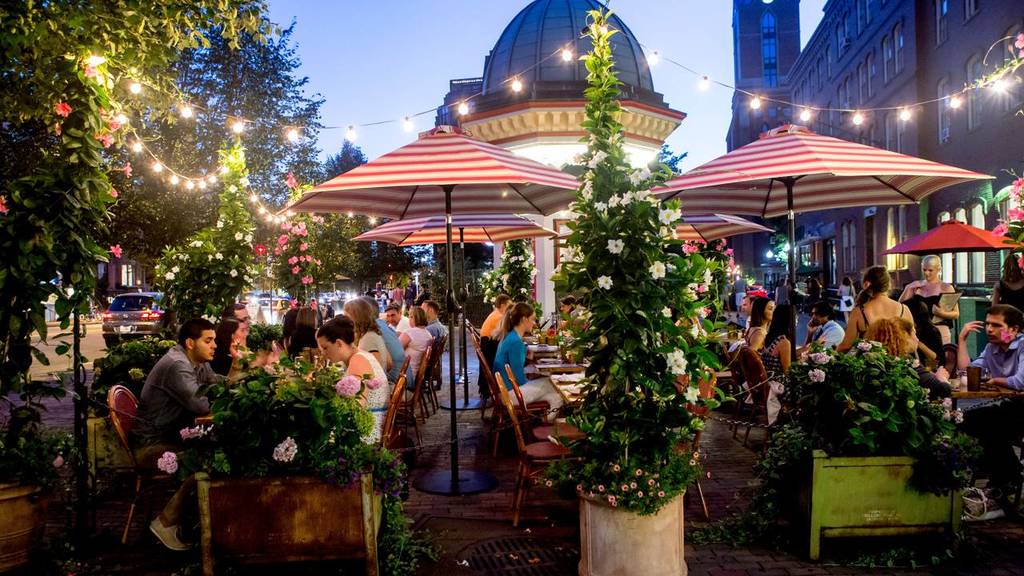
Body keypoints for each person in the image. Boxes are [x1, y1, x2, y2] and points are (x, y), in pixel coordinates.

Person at [135, 319, 219, 551]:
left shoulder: (198, 361)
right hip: (152, 444)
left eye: (214, 340)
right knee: (204, 462)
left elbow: (216, 385)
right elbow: (201, 405)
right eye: (208, 341)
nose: (214, 346)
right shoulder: (177, 365)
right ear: (190, 343)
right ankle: (165, 522)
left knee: (215, 453)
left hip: (172, 436)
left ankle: (199, 524)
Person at [957, 304, 1024, 504]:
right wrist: (962, 340)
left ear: (1014, 329)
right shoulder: (991, 348)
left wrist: (995, 380)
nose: (989, 329)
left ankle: (1004, 477)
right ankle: (1004, 477)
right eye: (987, 324)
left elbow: (1020, 381)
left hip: (1020, 407)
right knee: (967, 419)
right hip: (1008, 406)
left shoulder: (1022, 345)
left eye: (996, 325)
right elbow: (967, 374)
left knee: (988, 423)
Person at [316, 316, 390, 444]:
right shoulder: (360, 355)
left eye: (325, 348)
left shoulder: (358, 360)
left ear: (339, 343)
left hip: (368, 432)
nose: (323, 353)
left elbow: (356, 407)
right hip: (371, 423)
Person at [492, 302, 564, 421]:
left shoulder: (510, 336)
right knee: (553, 382)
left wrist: (533, 378)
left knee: (556, 397)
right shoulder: (516, 342)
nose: (534, 323)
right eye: (533, 319)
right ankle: (543, 423)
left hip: (504, 392)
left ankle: (544, 424)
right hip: (511, 394)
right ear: (524, 319)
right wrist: (534, 380)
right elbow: (519, 378)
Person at [865, 317, 951, 399]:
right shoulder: (908, 365)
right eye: (914, 334)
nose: (917, 339)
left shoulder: (874, 362)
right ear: (905, 336)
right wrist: (942, 378)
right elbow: (944, 390)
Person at [838, 266, 914, 353]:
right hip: (899, 360)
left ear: (866, 284)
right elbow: (913, 343)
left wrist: (833, 355)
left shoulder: (859, 312)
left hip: (870, 361)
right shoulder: (904, 309)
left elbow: (846, 345)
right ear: (889, 285)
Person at [899, 255, 959, 345]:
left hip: (939, 329)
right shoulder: (917, 286)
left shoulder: (946, 287)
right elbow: (900, 306)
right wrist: (908, 288)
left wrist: (941, 313)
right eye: (924, 270)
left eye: (930, 270)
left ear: (938, 270)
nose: (927, 273)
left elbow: (956, 313)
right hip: (920, 331)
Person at [362, 296, 404, 384]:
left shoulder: (371, 331)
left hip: (398, 383)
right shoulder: (383, 325)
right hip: (403, 377)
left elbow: (384, 368)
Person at [344, 297, 393, 373]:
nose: (345, 321)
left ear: (357, 318)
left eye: (347, 317)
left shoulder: (369, 339)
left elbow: (373, 373)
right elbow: (389, 363)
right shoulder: (371, 334)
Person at [904, 298, 942, 370]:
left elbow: (937, 360)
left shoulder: (932, 332)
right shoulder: (904, 331)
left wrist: (919, 344)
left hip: (929, 369)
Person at [399, 306, 434, 385]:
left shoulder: (410, 332)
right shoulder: (428, 334)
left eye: (410, 317)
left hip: (405, 375)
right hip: (416, 374)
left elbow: (395, 350)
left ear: (415, 318)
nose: (409, 319)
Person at [760, 304, 794, 378]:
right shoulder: (784, 342)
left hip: (766, 379)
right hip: (776, 382)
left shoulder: (768, 336)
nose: (796, 320)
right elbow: (788, 373)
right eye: (795, 317)